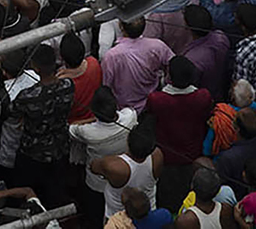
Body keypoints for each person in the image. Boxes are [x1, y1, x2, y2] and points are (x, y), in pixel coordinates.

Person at [143, 56, 213, 212]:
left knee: (168, 201)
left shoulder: (157, 99)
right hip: (193, 156)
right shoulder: (203, 97)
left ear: (170, 78)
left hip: (167, 158)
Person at [10, 44, 75, 206]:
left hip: (33, 152)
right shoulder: (68, 86)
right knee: (55, 191)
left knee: (31, 192)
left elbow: (13, 111)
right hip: (60, 147)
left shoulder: (28, 96)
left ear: (36, 68)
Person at [70, 86, 137, 226]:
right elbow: (128, 111)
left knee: (95, 216)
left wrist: (91, 119)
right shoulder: (130, 116)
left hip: (97, 183)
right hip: (123, 177)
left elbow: (72, 128)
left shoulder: (88, 132)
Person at [102, 16, 174, 112]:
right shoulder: (157, 46)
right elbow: (174, 64)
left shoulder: (111, 56)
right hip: (150, 103)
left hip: (125, 108)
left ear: (121, 27)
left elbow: (106, 85)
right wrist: (166, 83)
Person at [92, 123, 163, 219]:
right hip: (148, 211)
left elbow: (93, 166)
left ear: (127, 141)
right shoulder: (157, 155)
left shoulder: (115, 167)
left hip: (119, 219)